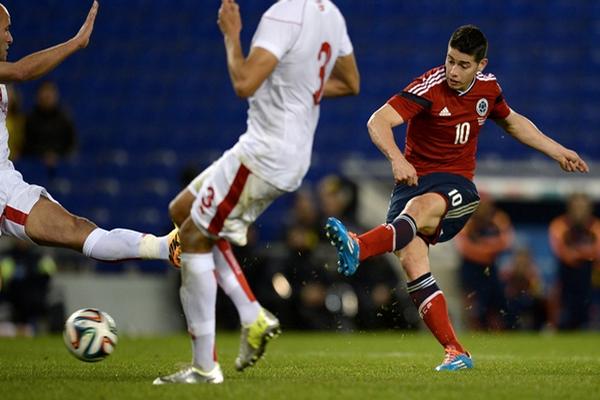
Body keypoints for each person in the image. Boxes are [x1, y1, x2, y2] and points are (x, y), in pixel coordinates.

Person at [325, 25, 588, 371]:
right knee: (413, 263)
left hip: (456, 187)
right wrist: (396, 158)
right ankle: (455, 350)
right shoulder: (429, 87)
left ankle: (359, 246)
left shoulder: (489, 89)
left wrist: (558, 151)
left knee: (418, 210)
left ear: (481, 65)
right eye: (450, 60)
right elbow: (379, 121)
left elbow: (513, 123)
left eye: (463, 64)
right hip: (412, 181)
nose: (452, 70)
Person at [155, 0, 359, 385]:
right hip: (281, 151)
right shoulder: (331, 14)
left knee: (195, 235)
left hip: (265, 152)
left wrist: (232, 34)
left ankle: (204, 367)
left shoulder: (281, 14)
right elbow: (351, 83)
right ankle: (251, 314)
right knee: (183, 210)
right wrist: (298, 91)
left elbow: (243, 83)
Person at [0, 3, 179, 277]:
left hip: (6, 180)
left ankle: (167, 247)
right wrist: (76, 43)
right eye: (6, 30)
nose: (11, 38)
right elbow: (21, 72)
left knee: (76, 229)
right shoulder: (7, 73)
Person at [454, 195, 513, 330]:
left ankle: (498, 331)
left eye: (487, 206)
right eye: (481, 206)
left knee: (498, 300)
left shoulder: (498, 219)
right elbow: (464, 247)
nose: (485, 210)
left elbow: (506, 241)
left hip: (490, 267)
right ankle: (474, 331)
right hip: (471, 268)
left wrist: (483, 247)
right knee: (474, 303)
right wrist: (489, 249)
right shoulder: (467, 220)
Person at [548, 193, 600, 330]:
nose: (579, 211)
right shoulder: (559, 224)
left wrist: (578, 253)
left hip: (590, 274)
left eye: (583, 207)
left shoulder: (596, 226)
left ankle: (589, 322)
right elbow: (561, 251)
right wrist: (583, 253)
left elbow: (597, 251)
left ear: (590, 209)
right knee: (561, 301)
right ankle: (557, 325)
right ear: (569, 208)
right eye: (576, 207)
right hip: (567, 274)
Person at [23, 81, 77, 177]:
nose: (47, 97)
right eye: (44, 93)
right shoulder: (30, 119)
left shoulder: (64, 119)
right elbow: (26, 144)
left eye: (50, 94)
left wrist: (56, 155)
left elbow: (71, 144)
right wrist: (43, 155)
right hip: (35, 165)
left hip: (61, 163)